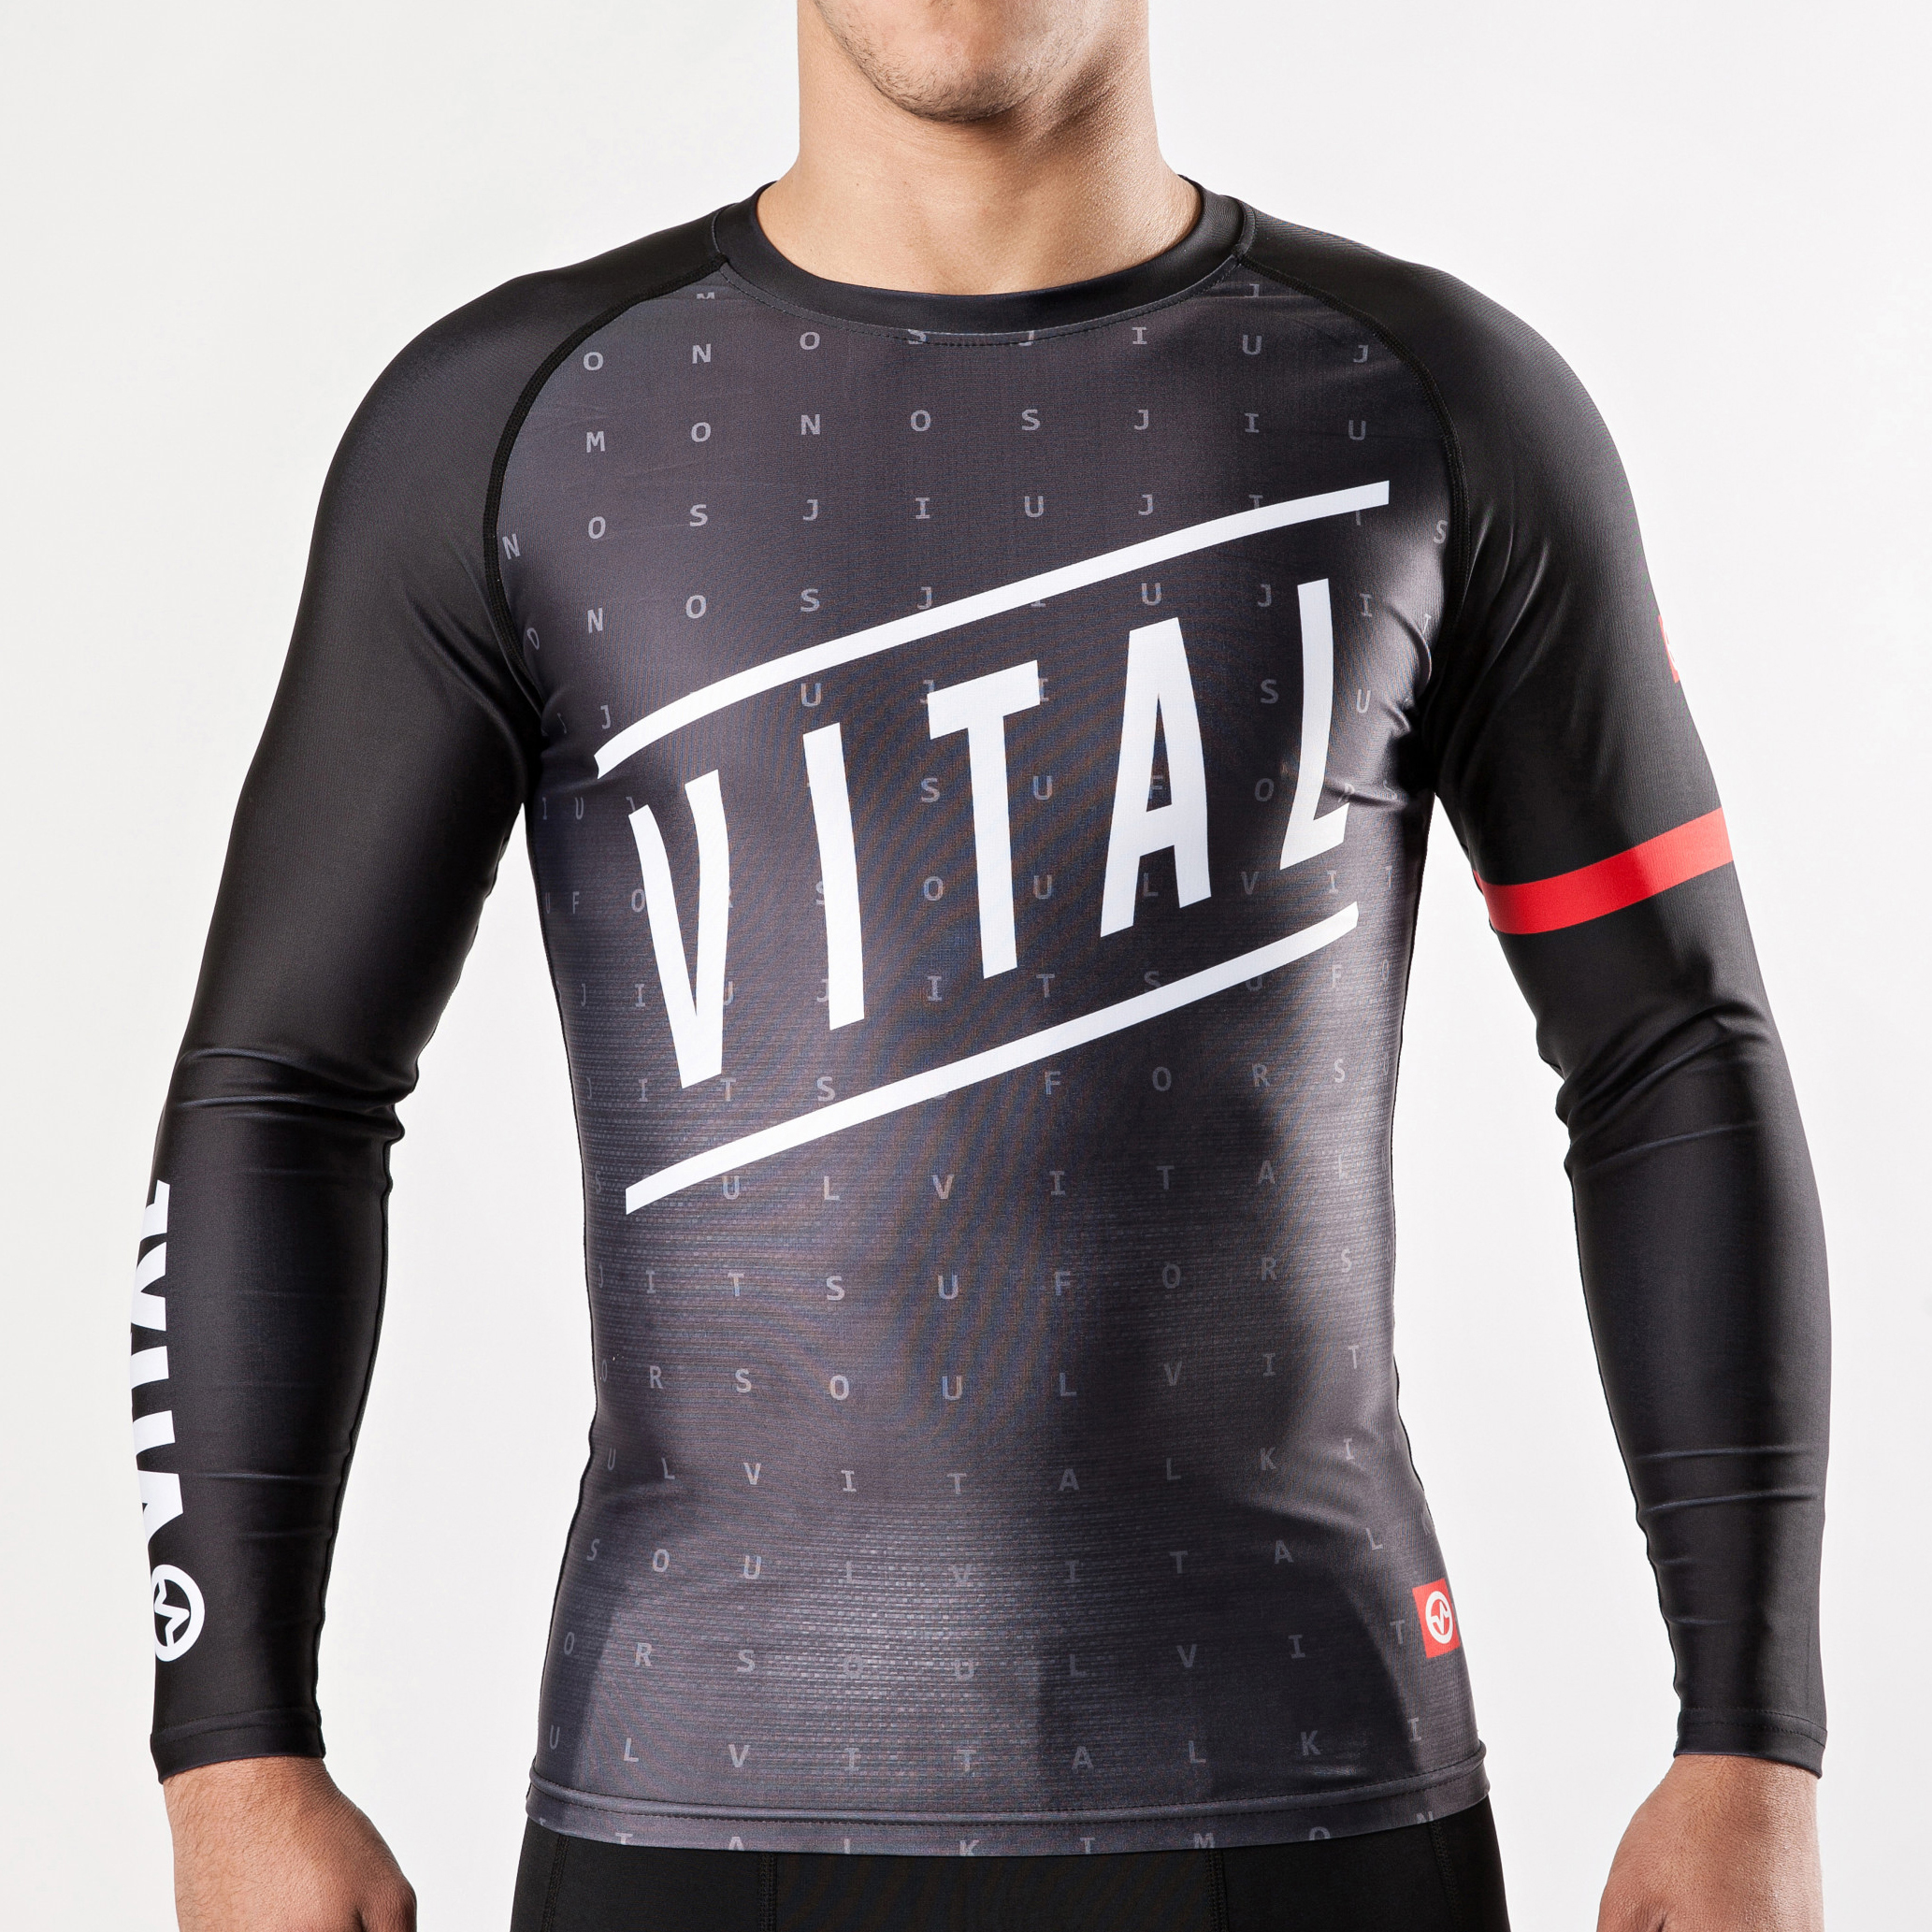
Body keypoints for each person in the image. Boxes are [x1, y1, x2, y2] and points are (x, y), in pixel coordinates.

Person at [136, 3, 1830, 1927]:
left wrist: (1749, 1740)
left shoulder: (1436, 407)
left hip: (1305, 1782)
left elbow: (1667, 1053)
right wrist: (233, 1746)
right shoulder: (522, 429)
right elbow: (282, 1085)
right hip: (692, 1808)